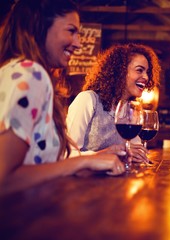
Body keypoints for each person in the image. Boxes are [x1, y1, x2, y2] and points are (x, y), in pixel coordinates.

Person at [0, 0, 126, 194]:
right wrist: (82, 161)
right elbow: (5, 179)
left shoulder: (13, 70)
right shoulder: (30, 74)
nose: (78, 43)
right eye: (71, 31)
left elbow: (42, 159)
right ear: (40, 27)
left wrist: (95, 158)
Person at [66, 43, 161, 163]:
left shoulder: (131, 110)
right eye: (139, 70)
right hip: (83, 180)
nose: (146, 77)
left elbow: (134, 150)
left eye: (147, 72)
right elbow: (67, 153)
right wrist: (105, 153)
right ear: (120, 71)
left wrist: (136, 156)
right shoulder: (87, 99)